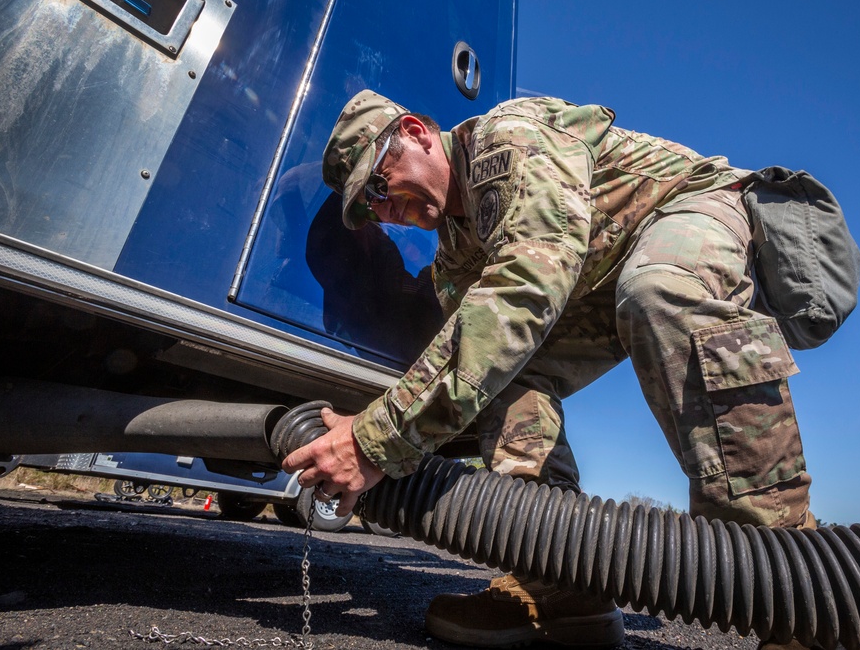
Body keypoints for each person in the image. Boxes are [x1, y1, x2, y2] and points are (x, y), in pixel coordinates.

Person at [282, 90, 817, 649]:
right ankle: (559, 584)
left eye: (378, 185)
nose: (386, 209)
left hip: (689, 208)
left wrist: (371, 441)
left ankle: (788, 585)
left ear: (415, 132)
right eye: (371, 211)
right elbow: (475, 350)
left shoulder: (506, 137)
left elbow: (527, 283)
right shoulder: (454, 254)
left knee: (659, 290)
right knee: (504, 378)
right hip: (599, 275)